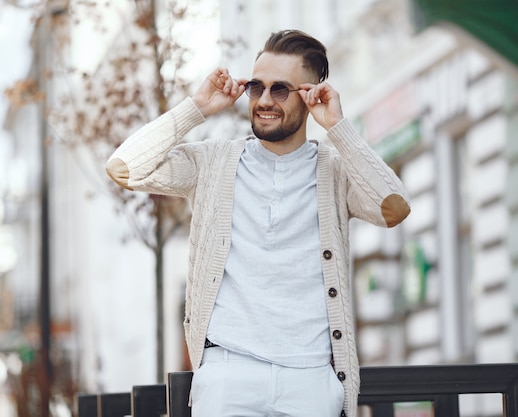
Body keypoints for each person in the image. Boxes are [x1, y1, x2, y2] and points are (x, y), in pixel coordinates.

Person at [106, 29, 410, 417]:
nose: (264, 101)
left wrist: (338, 128)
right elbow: (124, 167)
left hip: (310, 378)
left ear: (310, 94)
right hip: (229, 375)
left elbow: (394, 208)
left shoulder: (335, 171)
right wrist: (196, 107)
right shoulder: (211, 163)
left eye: (280, 89)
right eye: (256, 87)